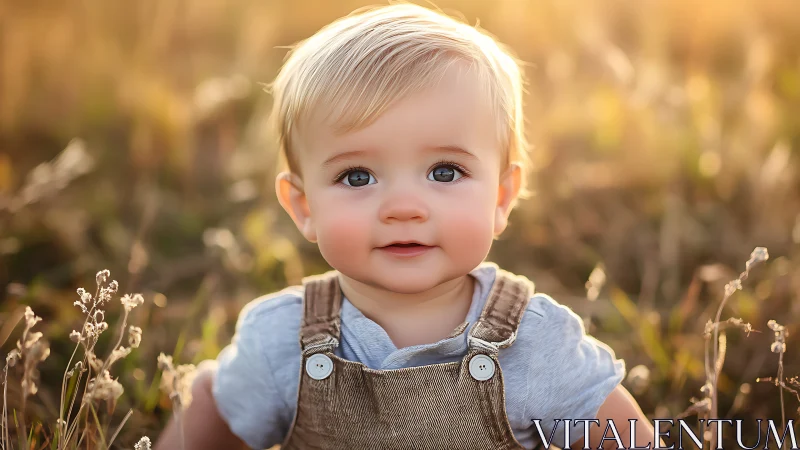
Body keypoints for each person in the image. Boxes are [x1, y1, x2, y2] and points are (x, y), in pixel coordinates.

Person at [155, 3, 662, 449]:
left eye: (445, 172)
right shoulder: (282, 341)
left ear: (502, 197)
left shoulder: (534, 344)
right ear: (303, 205)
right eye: (357, 176)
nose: (403, 207)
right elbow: (213, 407)